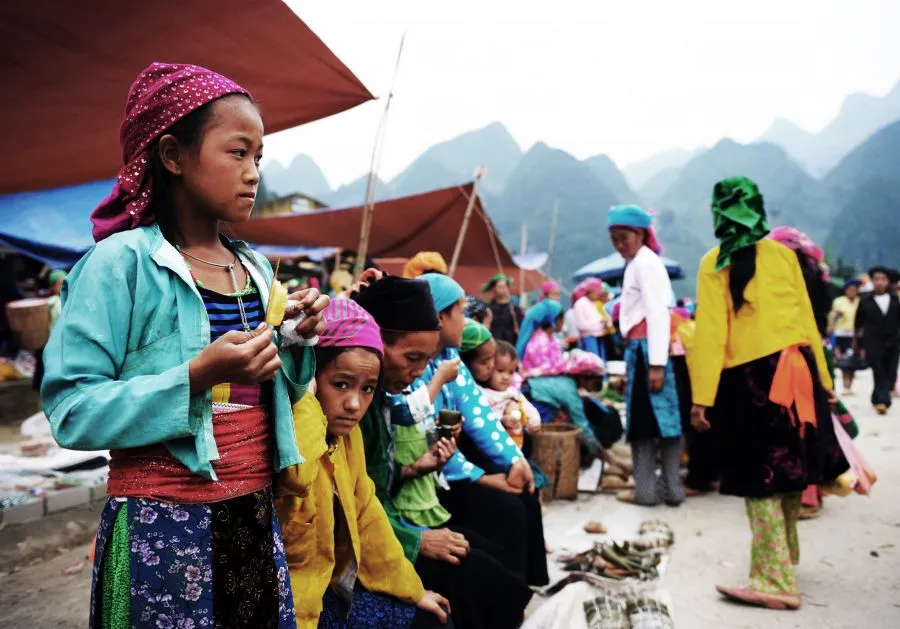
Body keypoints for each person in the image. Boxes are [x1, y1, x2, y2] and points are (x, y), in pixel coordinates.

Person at [40, 63, 331, 628]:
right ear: (172, 155)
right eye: (238, 153)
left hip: (252, 515)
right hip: (160, 527)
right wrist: (193, 376)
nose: (254, 175)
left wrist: (293, 339)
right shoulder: (118, 265)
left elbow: (273, 393)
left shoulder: (257, 270)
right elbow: (73, 412)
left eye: (260, 158)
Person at [690, 177, 847, 610]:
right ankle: (784, 558)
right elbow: (807, 321)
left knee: (758, 478)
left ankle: (774, 580)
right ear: (758, 210)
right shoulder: (783, 255)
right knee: (792, 469)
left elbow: (711, 333)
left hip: (751, 382)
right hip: (797, 372)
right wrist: (825, 381)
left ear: (718, 215)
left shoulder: (714, 262)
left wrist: (702, 397)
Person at [351, 275, 532, 629]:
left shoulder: (383, 398)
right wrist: (415, 540)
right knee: (476, 573)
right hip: (387, 532)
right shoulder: (359, 409)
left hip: (395, 516)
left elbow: (373, 484)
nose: (418, 372)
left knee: (490, 557)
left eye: (425, 360)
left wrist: (416, 467)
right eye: (413, 358)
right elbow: (350, 508)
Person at [276, 300, 450, 628]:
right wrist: (306, 400)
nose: (355, 404)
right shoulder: (290, 430)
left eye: (368, 388)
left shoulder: (347, 437)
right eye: (341, 384)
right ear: (311, 376)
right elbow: (297, 476)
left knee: (433, 615)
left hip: (330, 584)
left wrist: (412, 590)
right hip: (294, 605)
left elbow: (366, 512)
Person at [414, 273, 549, 588]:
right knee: (508, 511)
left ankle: (527, 584)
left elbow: (479, 417)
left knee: (526, 492)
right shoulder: (417, 365)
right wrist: (483, 477)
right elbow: (425, 436)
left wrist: (514, 460)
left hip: (452, 466)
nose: (466, 320)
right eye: (460, 312)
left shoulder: (450, 359)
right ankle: (509, 596)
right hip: (434, 478)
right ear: (439, 317)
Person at [607, 204, 684, 507]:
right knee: (660, 422)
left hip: (647, 352)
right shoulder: (639, 263)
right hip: (643, 351)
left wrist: (655, 364)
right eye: (614, 239)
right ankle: (664, 490)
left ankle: (651, 492)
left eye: (623, 237)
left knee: (645, 424)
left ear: (639, 234)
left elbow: (657, 313)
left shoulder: (645, 264)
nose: (619, 245)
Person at [461, 322, 541, 448]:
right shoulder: (478, 392)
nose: (506, 377)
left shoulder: (512, 392)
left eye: (511, 372)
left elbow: (528, 408)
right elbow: (483, 419)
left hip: (515, 444)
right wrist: (502, 421)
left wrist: (534, 422)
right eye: (500, 370)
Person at [854, 266, 900, 414]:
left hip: (893, 340)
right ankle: (882, 401)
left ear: (888, 281)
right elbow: (858, 323)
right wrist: (856, 342)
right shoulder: (865, 300)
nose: (880, 282)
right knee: (878, 370)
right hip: (873, 341)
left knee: (891, 372)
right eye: (876, 279)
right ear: (872, 281)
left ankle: (877, 397)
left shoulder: (895, 299)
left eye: (883, 279)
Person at [517, 299, 568, 377]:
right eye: (562, 319)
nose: (563, 322)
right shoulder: (539, 341)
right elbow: (542, 368)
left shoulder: (551, 338)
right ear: (555, 321)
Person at [830, 279, 863, 395]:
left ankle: (850, 386)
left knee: (853, 361)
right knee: (844, 361)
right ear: (846, 290)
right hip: (841, 334)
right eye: (850, 290)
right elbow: (832, 317)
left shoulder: (860, 302)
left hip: (856, 335)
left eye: (855, 290)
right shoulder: (838, 301)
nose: (852, 292)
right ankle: (845, 385)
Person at [572, 278, 609, 359]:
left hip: (599, 336)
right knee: (593, 364)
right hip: (588, 338)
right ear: (591, 291)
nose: (598, 295)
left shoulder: (593, 303)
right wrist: (598, 324)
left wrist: (602, 323)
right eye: (597, 293)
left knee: (601, 364)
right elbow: (580, 325)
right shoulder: (580, 304)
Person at [483, 273, 523, 346]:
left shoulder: (515, 309)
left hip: (510, 346)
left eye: (504, 287)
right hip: (493, 346)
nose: (503, 289)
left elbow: (521, 328)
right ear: (493, 288)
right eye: (500, 287)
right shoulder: (487, 309)